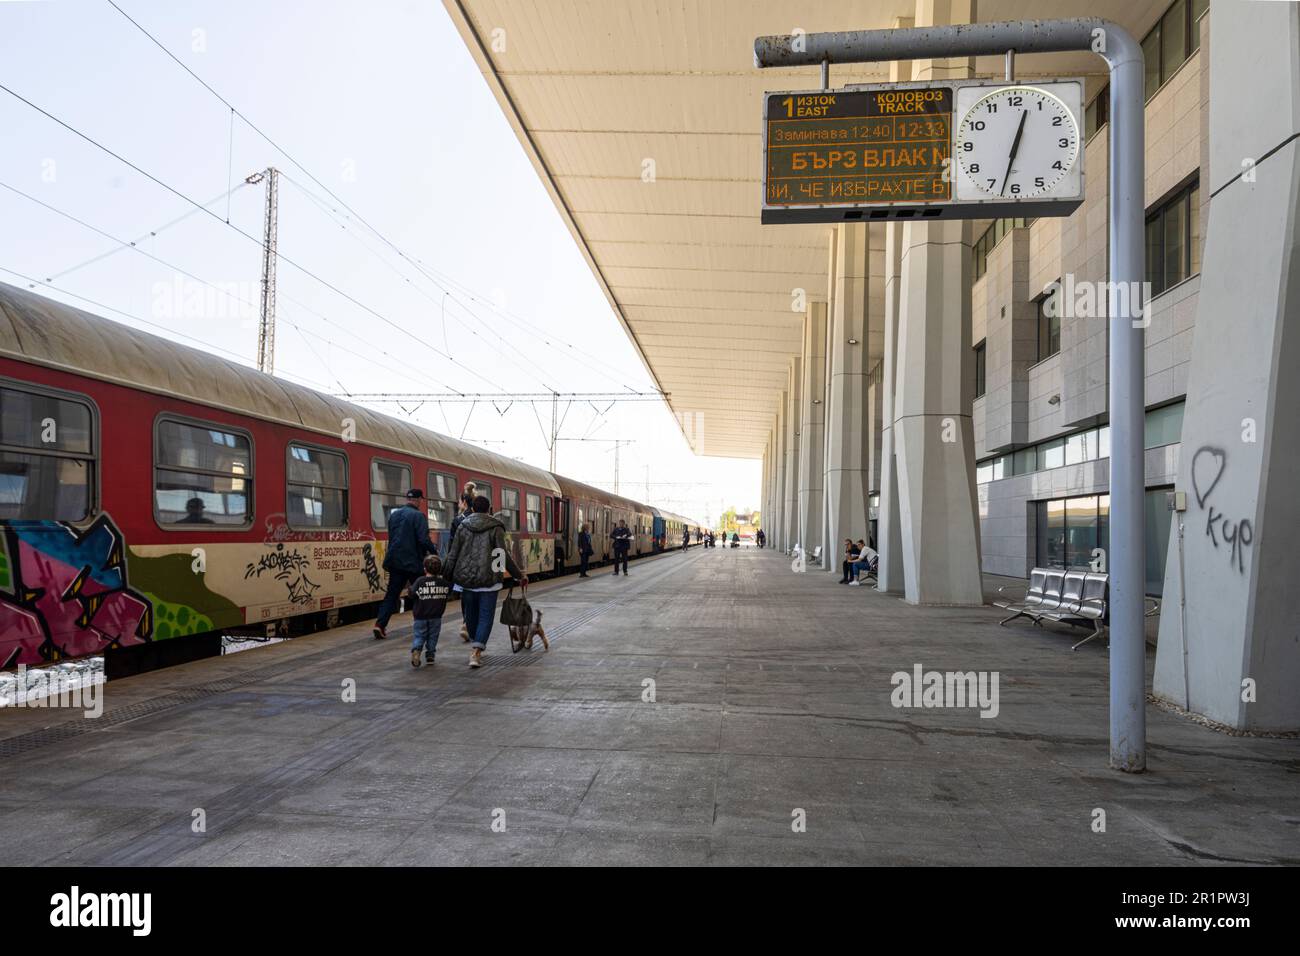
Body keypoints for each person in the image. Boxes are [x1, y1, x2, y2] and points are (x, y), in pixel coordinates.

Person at [442, 495, 525, 668]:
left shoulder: (462, 526)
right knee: (485, 617)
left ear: (472, 509)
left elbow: (453, 553)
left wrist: (446, 576)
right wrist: (516, 575)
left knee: (470, 616)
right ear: (489, 509)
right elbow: (501, 555)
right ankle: (476, 651)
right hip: (489, 581)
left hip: (466, 580)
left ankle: (476, 642)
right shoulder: (496, 527)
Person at [373, 489, 437, 639]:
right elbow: (423, 539)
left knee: (392, 595)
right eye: (421, 499)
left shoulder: (394, 515)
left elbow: (393, 536)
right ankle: (421, 625)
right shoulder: (419, 516)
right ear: (417, 500)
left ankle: (380, 625)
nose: (422, 502)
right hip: (413, 563)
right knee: (420, 595)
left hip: (395, 562)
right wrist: (433, 552)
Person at [408, 554, 450, 667]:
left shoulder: (420, 581)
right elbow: (449, 592)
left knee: (419, 636)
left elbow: (412, 594)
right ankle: (430, 655)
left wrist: (410, 590)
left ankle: (416, 651)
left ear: (425, 569)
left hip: (420, 616)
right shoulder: (443, 583)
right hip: (436, 616)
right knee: (433, 636)